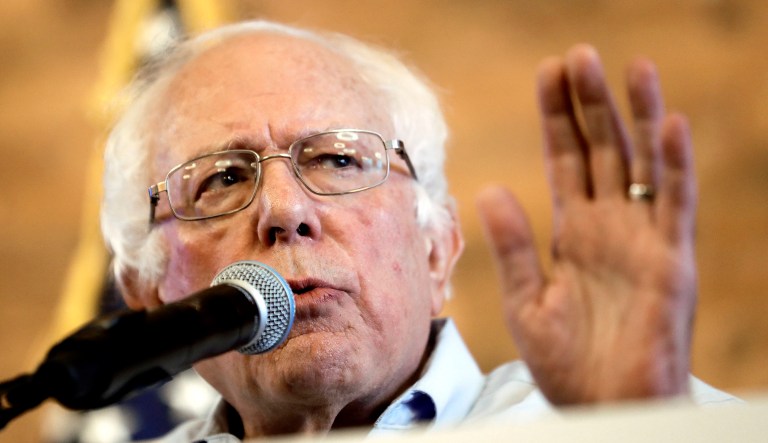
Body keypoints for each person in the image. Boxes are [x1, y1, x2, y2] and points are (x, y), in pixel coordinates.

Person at [99, 20, 737, 441]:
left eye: (338, 159)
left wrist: (642, 425)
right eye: (221, 179)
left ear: (436, 251)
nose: (284, 211)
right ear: (149, 289)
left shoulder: (606, 422)